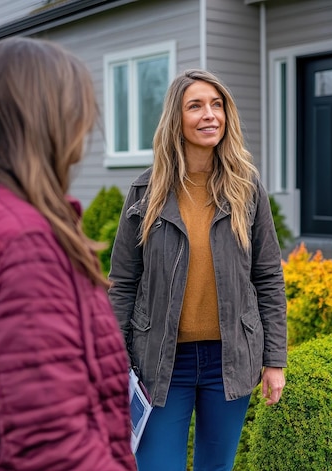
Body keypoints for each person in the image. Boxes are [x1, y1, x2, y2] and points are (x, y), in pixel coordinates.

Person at [0, 37, 136, 471]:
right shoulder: (22, 244)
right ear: (47, 120)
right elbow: (54, 446)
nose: (84, 128)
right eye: (78, 112)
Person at [108, 69, 287, 471]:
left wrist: (274, 359)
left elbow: (268, 277)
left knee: (216, 467)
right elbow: (123, 283)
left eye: (217, 104)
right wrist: (114, 360)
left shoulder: (246, 189)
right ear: (177, 118)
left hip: (230, 357)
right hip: (159, 360)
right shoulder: (145, 192)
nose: (210, 115)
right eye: (196, 106)